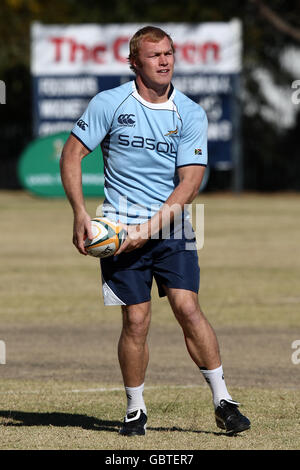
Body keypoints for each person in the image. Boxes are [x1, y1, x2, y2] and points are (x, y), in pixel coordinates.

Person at [60, 25, 250, 436]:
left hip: (172, 225)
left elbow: (190, 184)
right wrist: (79, 213)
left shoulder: (190, 112)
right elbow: (72, 154)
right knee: (137, 320)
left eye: (169, 53)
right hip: (118, 225)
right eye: (154, 55)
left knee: (187, 308)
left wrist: (148, 230)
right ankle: (135, 410)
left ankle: (224, 401)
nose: (164, 61)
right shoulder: (109, 103)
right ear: (134, 62)